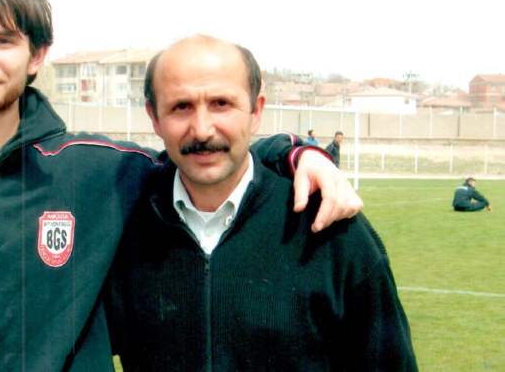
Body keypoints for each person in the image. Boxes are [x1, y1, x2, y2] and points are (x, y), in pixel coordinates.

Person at [0, 0, 363, 372]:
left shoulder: (98, 171)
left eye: (4, 41)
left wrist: (295, 150)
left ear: (36, 55)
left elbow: (202, 150)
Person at [108, 35, 417, 371]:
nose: (202, 130)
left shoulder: (332, 231)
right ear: (154, 117)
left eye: (221, 104)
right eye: (181, 107)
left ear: (256, 111)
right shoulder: (120, 229)